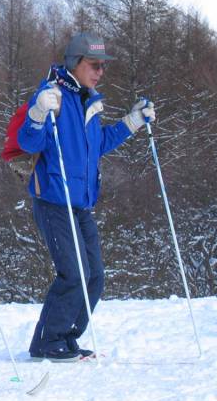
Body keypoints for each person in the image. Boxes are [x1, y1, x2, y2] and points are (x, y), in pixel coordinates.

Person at [18, 33, 155, 361]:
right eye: (94, 65)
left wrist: (132, 122)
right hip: (53, 199)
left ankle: (66, 337)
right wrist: (37, 113)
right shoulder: (52, 94)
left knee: (94, 275)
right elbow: (28, 142)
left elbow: (98, 145)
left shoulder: (89, 100)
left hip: (81, 202)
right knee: (74, 272)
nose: (99, 72)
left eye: (102, 67)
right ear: (74, 63)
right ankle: (47, 342)